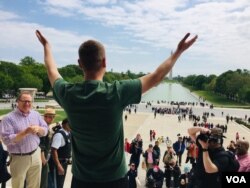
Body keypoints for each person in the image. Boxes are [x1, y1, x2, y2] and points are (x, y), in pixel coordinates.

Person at [36, 30, 197, 187]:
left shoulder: (68, 94)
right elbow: (156, 77)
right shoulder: (116, 92)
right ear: (105, 62)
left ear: (79, 64)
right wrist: (178, 52)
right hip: (114, 178)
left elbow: (52, 71)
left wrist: (47, 46)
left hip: (82, 179)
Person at [0, 92, 48, 188]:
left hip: (35, 154)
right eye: (24, 101)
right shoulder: (8, 118)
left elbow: (45, 130)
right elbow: (6, 140)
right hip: (19, 158)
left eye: (29, 101)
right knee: (18, 185)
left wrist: (39, 129)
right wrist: (25, 132)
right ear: (18, 102)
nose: (27, 104)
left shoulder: (36, 114)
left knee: (34, 185)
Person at [50, 118, 71, 188]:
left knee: (61, 183)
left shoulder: (68, 133)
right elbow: (54, 150)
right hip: (58, 163)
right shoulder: (59, 135)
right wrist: (58, 165)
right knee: (57, 184)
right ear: (65, 125)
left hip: (64, 163)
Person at [39, 108, 56, 188]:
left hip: (45, 156)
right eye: (50, 117)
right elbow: (41, 143)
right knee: (43, 180)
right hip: (42, 158)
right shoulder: (43, 126)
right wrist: (43, 158)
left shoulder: (47, 126)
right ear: (45, 117)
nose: (52, 119)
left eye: (53, 117)